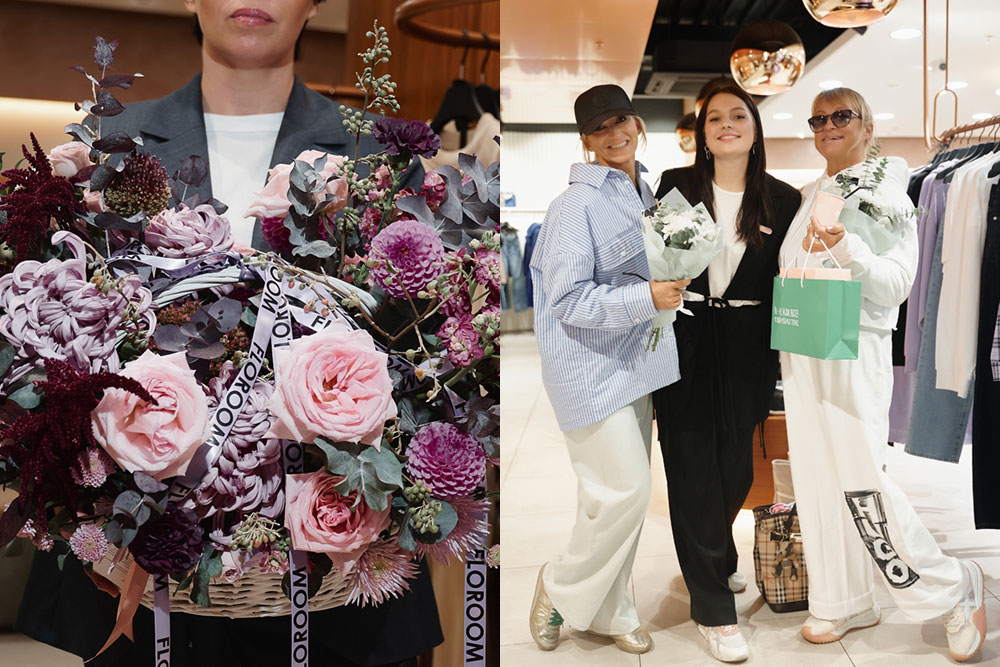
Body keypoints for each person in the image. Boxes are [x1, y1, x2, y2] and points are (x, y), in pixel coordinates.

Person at [14, 2, 442, 665]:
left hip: (331, 562)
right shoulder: (110, 139)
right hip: (139, 556)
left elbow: (421, 344)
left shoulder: (377, 153)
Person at [778, 86, 986, 663]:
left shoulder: (886, 193)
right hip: (803, 347)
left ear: (867, 126)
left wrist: (848, 249)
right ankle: (844, 599)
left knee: (863, 481)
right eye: (819, 118)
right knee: (817, 478)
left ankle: (951, 588)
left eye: (841, 115)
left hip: (853, 349)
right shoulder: (812, 193)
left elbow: (897, 285)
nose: (828, 126)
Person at [525, 84, 691, 656]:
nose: (614, 133)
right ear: (585, 140)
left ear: (637, 123)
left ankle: (610, 610)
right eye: (600, 127)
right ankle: (558, 584)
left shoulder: (645, 193)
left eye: (621, 120)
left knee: (606, 500)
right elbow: (567, 299)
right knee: (627, 491)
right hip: (590, 371)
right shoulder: (575, 205)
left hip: (636, 363)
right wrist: (648, 297)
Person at [651, 84, 801, 663]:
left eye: (739, 115)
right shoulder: (676, 185)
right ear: (703, 133)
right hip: (686, 335)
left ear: (755, 129)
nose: (726, 125)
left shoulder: (782, 199)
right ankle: (713, 608)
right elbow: (655, 260)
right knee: (691, 466)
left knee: (736, 466)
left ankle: (719, 556)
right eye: (715, 118)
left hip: (749, 344)